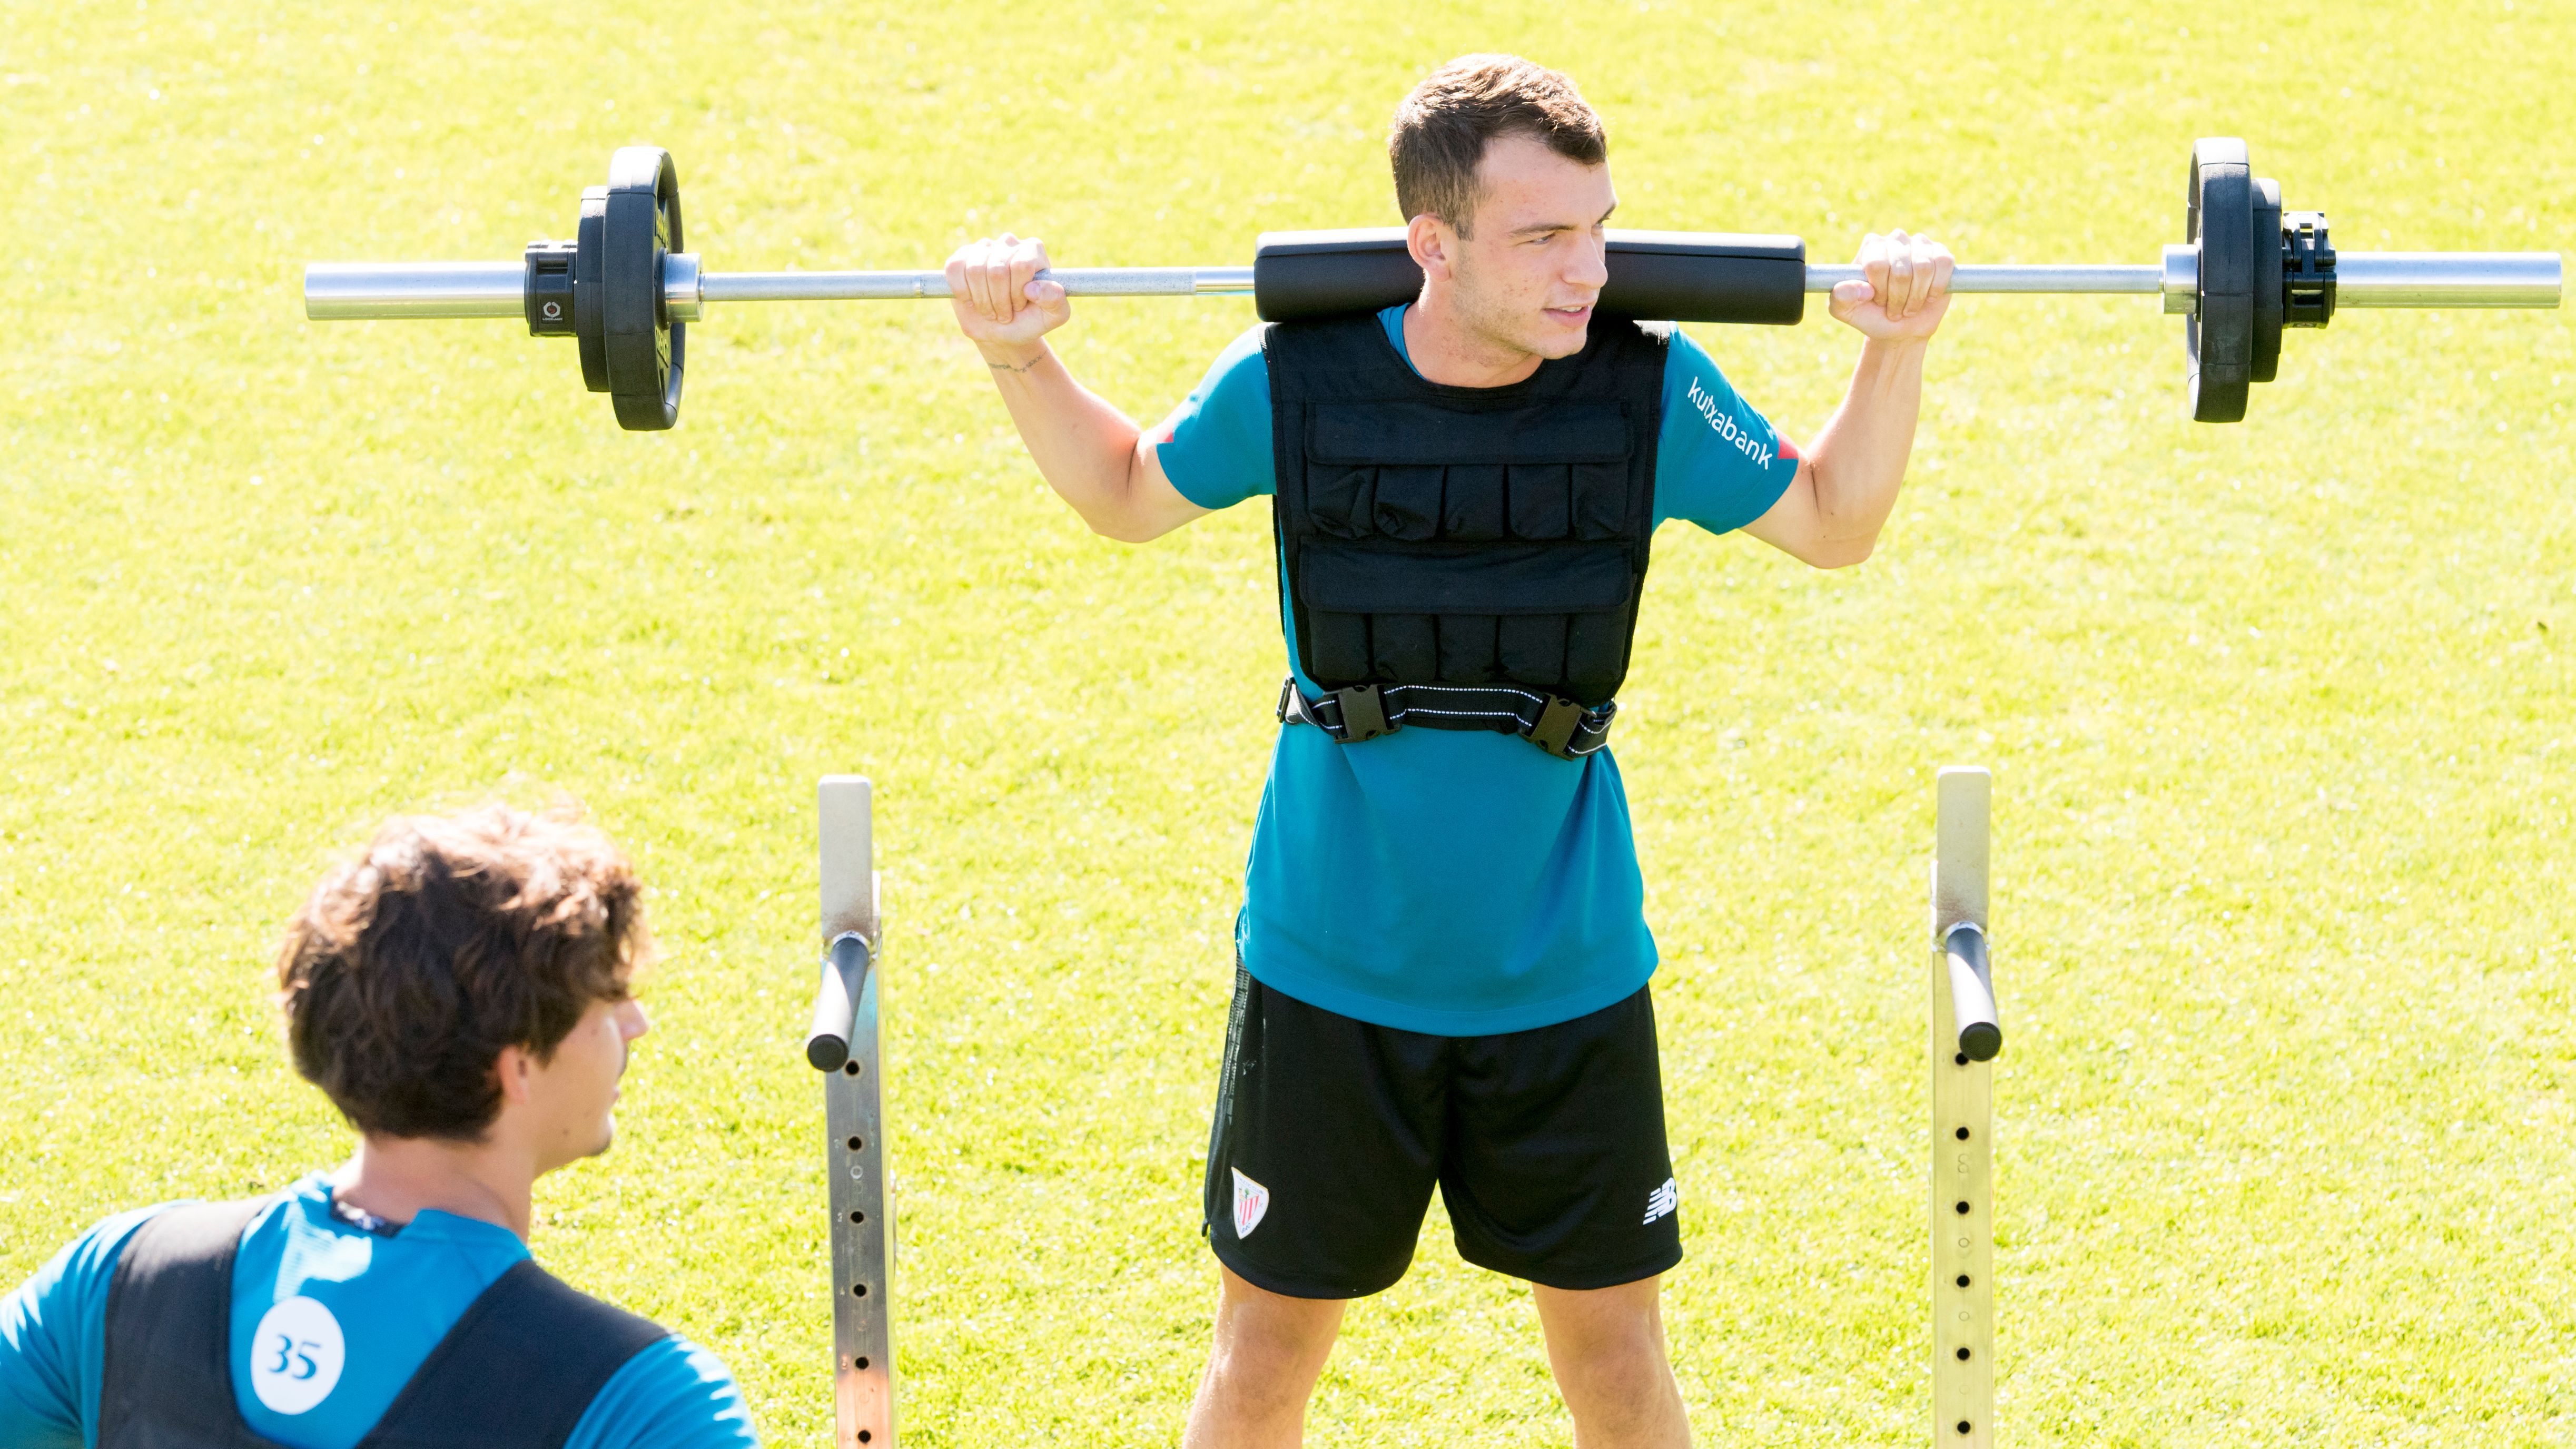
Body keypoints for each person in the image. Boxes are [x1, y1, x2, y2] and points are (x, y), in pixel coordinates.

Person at [947, 53, 1951, 1449]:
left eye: (1598, 230)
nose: (1585, 273)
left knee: (1613, 1361)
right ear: (1434, 243)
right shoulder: (1295, 386)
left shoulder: (1647, 395)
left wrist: (1891, 344)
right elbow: (1124, 492)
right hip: (1327, 968)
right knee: (1260, 1361)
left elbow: (1834, 521)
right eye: (1543, 238)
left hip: (1564, 972)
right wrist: (1017, 350)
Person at [0, 803, 760, 1449]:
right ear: (516, 1066)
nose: (637, 1025)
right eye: (608, 1002)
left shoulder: (120, 1275)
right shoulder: (643, 1404)